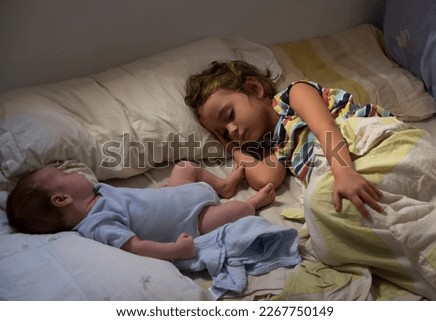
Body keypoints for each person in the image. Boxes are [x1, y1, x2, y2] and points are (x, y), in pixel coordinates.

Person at [184, 60, 394, 218]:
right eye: (224, 132)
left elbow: (325, 128)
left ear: (254, 89)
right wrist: (233, 148)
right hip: (338, 169)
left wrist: (344, 171)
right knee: (324, 205)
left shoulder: (294, 95)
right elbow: (266, 179)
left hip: (362, 139)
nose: (232, 130)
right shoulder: (272, 143)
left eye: (229, 116)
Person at [6, 160, 276, 261]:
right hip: (190, 220)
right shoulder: (97, 225)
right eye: (63, 172)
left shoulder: (98, 192)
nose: (72, 171)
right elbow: (136, 247)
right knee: (234, 212)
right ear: (62, 198)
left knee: (185, 167)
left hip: (174, 193)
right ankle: (253, 203)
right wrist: (175, 251)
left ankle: (224, 185)